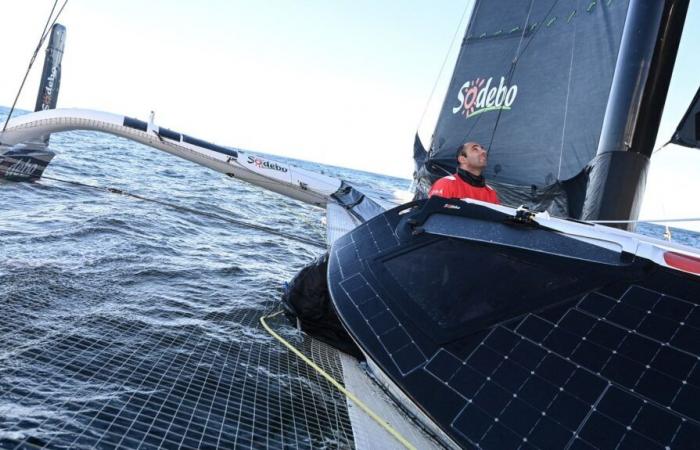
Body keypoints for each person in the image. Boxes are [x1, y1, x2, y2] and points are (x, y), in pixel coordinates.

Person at [429, 141, 500, 204]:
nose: (484, 152)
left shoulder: (491, 192)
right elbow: (434, 216)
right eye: (475, 149)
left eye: (482, 149)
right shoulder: (446, 184)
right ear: (462, 159)